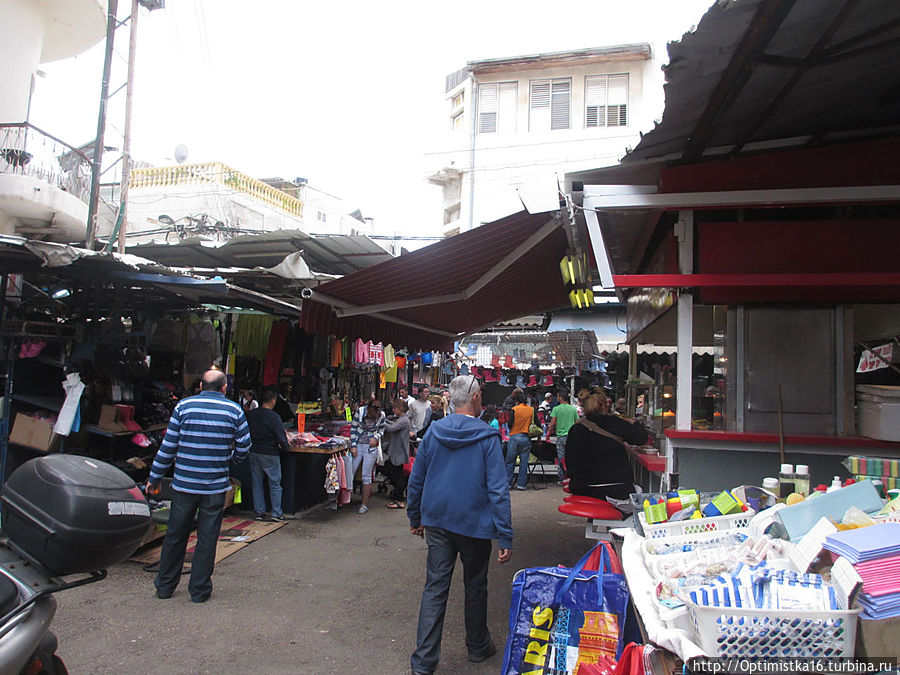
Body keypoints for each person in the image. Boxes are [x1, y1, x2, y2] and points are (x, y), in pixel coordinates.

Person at [407, 375, 512, 675]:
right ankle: (477, 646)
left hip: (438, 520)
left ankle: (424, 663)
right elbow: (497, 489)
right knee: (475, 584)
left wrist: (415, 517)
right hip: (474, 523)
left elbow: (417, 479)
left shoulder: (434, 432)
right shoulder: (487, 437)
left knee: (435, 588)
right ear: (476, 396)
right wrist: (505, 535)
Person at [146, 369, 250, 603]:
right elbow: (244, 446)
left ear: (201, 387)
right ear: (224, 388)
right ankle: (200, 591)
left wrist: (154, 477)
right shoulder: (234, 410)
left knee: (175, 535)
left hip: (184, 485)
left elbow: (168, 447)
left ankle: (165, 587)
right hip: (214, 488)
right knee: (207, 538)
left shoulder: (183, 407)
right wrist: (229, 459)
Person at [565, 388, 648, 511]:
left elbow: (570, 464)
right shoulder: (615, 423)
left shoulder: (575, 429)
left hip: (583, 489)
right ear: (604, 406)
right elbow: (641, 438)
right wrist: (632, 421)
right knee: (641, 495)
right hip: (617, 491)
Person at [246, 388, 290, 521]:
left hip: (254, 451)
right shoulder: (274, 417)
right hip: (269, 452)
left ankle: (259, 511)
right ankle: (276, 512)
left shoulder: (251, 415)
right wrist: (286, 447)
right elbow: (281, 436)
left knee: (257, 483)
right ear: (273, 400)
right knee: (275, 483)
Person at [350, 398, 386, 514]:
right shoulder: (360, 412)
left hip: (371, 448)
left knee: (366, 475)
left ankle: (364, 504)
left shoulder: (381, 415)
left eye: (374, 414)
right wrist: (354, 445)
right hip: (359, 444)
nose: (371, 415)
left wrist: (375, 438)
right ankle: (342, 500)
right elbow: (353, 429)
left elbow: (381, 430)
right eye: (370, 412)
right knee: (350, 471)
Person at [382, 399, 411, 509]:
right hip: (397, 451)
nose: (394, 410)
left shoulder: (404, 420)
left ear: (399, 408)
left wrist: (381, 421)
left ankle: (399, 500)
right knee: (396, 474)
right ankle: (398, 498)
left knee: (398, 476)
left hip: (399, 452)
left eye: (395, 408)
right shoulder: (402, 419)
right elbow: (393, 424)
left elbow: (391, 428)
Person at [505, 391, 535, 491]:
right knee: (524, 463)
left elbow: (510, 423)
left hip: (514, 437)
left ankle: (508, 484)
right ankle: (521, 485)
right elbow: (536, 423)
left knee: (510, 462)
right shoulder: (531, 410)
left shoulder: (515, 409)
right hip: (526, 438)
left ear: (517, 401)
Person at [547, 390, 578, 483]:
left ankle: (562, 478)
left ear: (560, 397)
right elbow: (577, 422)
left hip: (561, 436)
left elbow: (552, 423)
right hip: (571, 436)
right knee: (571, 457)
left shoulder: (556, 409)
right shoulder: (573, 409)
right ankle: (572, 477)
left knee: (561, 458)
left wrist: (549, 433)